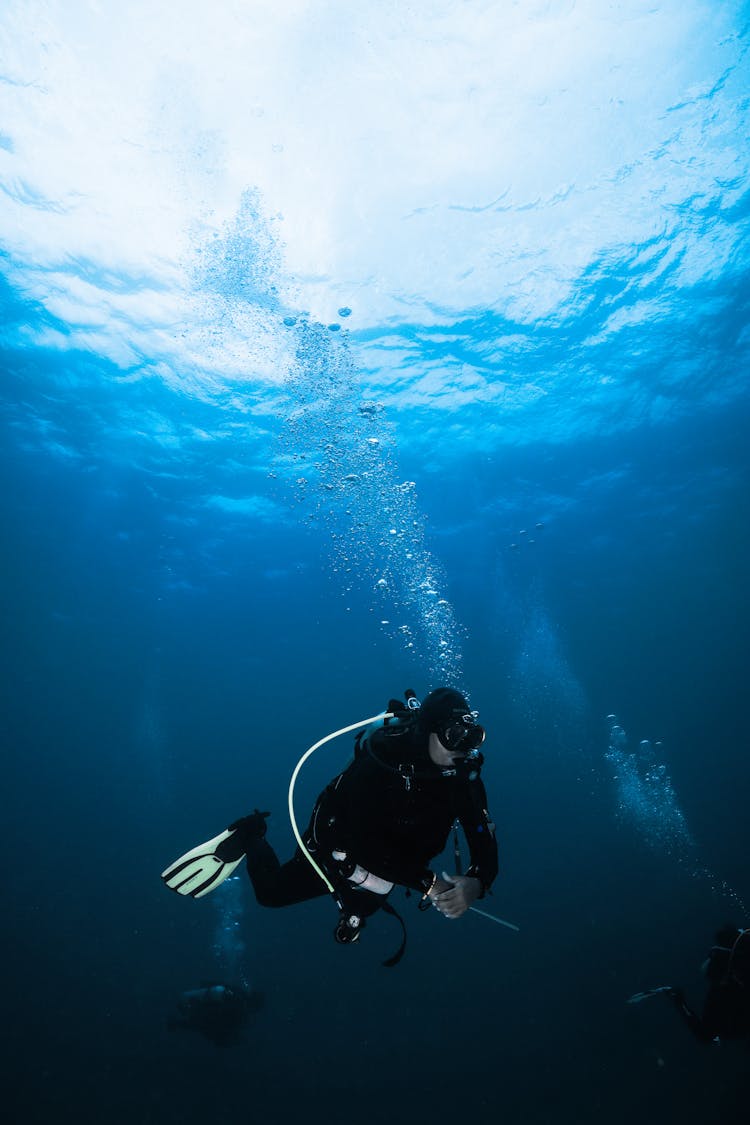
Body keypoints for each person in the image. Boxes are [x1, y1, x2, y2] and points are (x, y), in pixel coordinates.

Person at [162, 687, 499, 963]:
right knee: (271, 894)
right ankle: (251, 835)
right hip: (338, 849)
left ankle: (353, 912)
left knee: (367, 901)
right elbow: (363, 844)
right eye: (454, 735)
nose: (464, 747)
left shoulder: (464, 778)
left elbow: (482, 838)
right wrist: (431, 884)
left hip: (397, 866)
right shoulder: (382, 765)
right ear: (427, 731)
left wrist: (477, 884)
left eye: (472, 736)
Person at [628, 926, 750, 1045]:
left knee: (708, 1034)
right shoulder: (729, 963)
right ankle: (677, 997)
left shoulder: (728, 960)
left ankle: (676, 997)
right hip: (731, 990)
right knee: (708, 1034)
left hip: (731, 991)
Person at [167, 982, 264, 1048]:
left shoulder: (238, 996)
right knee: (195, 1023)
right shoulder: (239, 1005)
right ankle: (177, 1019)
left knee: (194, 1023)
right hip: (207, 1017)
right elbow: (226, 1023)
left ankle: (178, 1018)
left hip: (205, 1013)